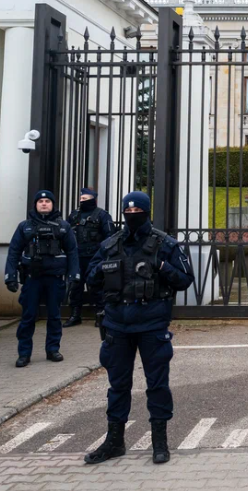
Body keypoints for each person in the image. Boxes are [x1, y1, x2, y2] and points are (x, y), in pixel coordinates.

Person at [84, 191, 194, 466]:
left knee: (157, 385)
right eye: (128, 213)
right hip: (117, 326)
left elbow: (184, 280)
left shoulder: (164, 244)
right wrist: (105, 270)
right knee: (117, 386)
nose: (132, 216)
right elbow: (90, 280)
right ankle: (114, 441)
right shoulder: (110, 245)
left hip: (152, 324)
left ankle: (159, 442)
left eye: (137, 213)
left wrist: (160, 266)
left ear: (146, 212)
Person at [5, 190, 80, 367]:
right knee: (28, 316)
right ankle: (24, 353)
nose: (44, 204)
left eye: (47, 201)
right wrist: (10, 276)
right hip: (32, 278)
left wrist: (74, 275)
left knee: (54, 316)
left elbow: (72, 251)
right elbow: (14, 251)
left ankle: (53, 349)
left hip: (54, 278)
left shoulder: (63, 227)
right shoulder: (25, 226)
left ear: (53, 204)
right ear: (35, 205)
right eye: (40, 201)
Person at [65, 188, 114, 328]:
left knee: (96, 285)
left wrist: (103, 255)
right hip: (77, 257)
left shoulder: (102, 215)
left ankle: (101, 314)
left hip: (95, 257)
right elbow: (66, 235)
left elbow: (110, 236)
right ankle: (75, 315)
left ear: (94, 199)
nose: (83, 201)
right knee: (75, 286)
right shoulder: (74, 215)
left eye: (86, 199)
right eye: (81, 199)